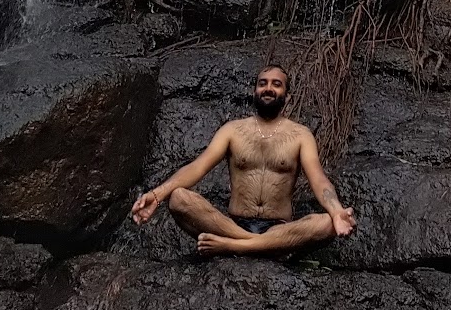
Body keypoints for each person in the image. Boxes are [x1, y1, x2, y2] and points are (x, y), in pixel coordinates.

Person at [130, 63, 357, 256]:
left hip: (278, 229)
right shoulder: (233, 130)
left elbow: (319, 180)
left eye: (276, 84)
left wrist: (337, 212)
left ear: (287, 97)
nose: (268, 88)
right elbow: (197, 167)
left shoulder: (301, 135)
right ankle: (253, 245)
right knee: (179, 198)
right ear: (255, 91)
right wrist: (157, 195)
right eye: (263, 83)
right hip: (230, 225)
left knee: (326, 223)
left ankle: (234, 246)